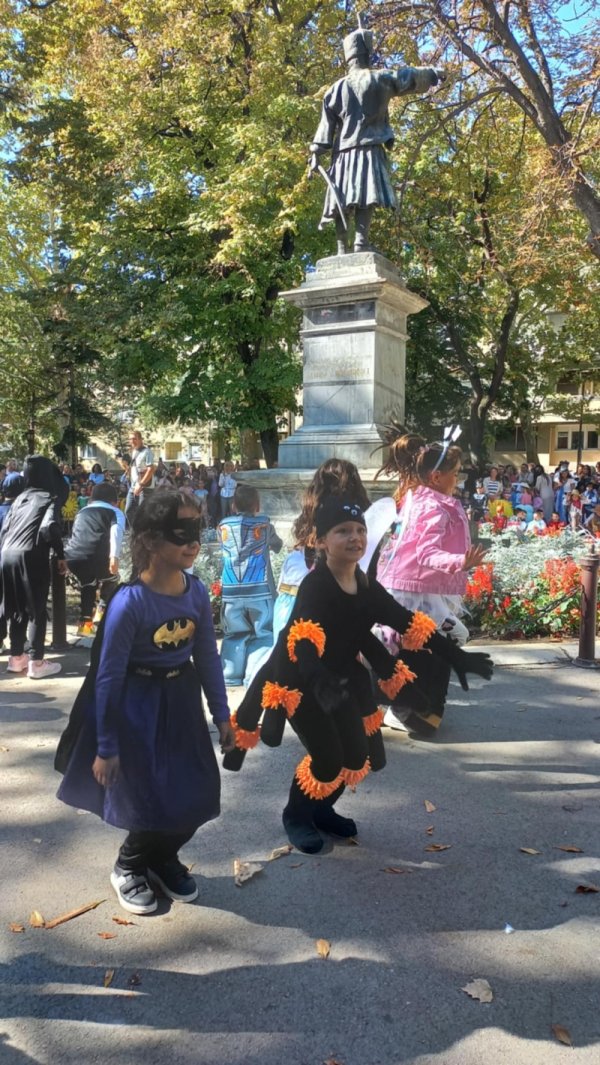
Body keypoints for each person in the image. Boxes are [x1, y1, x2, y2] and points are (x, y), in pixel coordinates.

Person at [224, 496, 493, 854]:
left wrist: (457, 656)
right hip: (301, 682)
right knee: (327, 758)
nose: (354, 537)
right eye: (343, 531)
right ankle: (296, 816)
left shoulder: (367, 587)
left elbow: (408, 622)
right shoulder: (317, 586)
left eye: (359, 530)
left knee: (355, 757)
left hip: (341, 682)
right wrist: (317, 679)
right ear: (321, 541)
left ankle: (321, 810)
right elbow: (302, 640)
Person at [55, 490, 235, 915]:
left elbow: (207, 657)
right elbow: (107, 677)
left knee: (198, 790)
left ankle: (162, 857)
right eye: (181, 532)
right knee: (148, 794)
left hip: (181, 702)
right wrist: (106, 747)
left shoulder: (195, 592)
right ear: (152, 539)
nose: (193, 542)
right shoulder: (129, 603)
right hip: (136, 708)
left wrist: (222, 714)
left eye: (197, 530)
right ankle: (130, 864)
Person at [368, 430, 487, 735]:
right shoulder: (433, 506)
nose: (457, 480)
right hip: (415, 591)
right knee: (438, 642)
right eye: (455, 474)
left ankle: (406, 707)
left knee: (426, 643)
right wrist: (460, 562)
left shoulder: (416, 498)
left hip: (411, 587)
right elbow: (426, 553)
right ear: (436, 476)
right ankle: (408, 709)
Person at [309, 24, 444, 255]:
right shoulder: (379, 78)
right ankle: (361, 242)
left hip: (342, 154)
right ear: (366, 54)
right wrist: (432, 73)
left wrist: (315, 153)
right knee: (365, 194)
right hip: (369, 148)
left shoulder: (334, 89)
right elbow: (407, 76)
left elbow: (325, 128)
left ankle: (342, 248)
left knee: (341, 196)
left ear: (349, 58)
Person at [0, 455, 68, 678]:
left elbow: (5, 529)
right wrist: (60, 554)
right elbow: (49, 527)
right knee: (36, 608)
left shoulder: (19, 498)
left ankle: (16, 658)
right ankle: (36, 662)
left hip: (6, 554)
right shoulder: (49, 497)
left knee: (16, 607)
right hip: (31, 555)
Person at [218, 485, 283, 686]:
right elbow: (278, 546)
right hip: (259, 589)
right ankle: (254, 675)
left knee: (233, 633)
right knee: (263, 632)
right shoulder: (265, 525)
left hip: (231, 590)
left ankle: (230, 675)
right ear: (257, 506)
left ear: (233, 505)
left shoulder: (223, 526)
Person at [65, 482, 126, 637]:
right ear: (114, 501)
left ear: (91, 499)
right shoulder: (115, 512)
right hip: (97, 557)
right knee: (112, 579)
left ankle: (85, 626)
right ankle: (101, 615)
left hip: (74, 557)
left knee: (88, 583)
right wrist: (114, 557)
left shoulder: (82, 511)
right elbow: (116, 533)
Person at [119, 431, 155, 524]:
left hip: (145, 487)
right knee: (128, 511)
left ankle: (145, 531)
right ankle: (135, 530)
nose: (132, 441)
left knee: (143, 513)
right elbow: (134, 469)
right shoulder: (134, 452)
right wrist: (125, 466)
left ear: (140, 439)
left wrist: (141, 484)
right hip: (133, 486)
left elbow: (150, 469)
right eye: (130, 439)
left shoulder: (147, 452)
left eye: (134, 439)